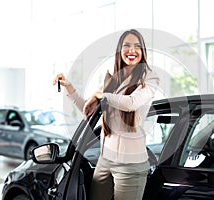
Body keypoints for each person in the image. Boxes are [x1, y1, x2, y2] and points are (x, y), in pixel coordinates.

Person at [53, 29, 159, 200]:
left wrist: (101, 95)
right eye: (127, 45)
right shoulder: (112, 79)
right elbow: (90, 111)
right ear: (119, 50)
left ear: (143, 51)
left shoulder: (149, 77)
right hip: (105, 160)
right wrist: (69, 88)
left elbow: (131, 103)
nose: (132, 50)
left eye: (137, 46)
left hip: (130, 165)